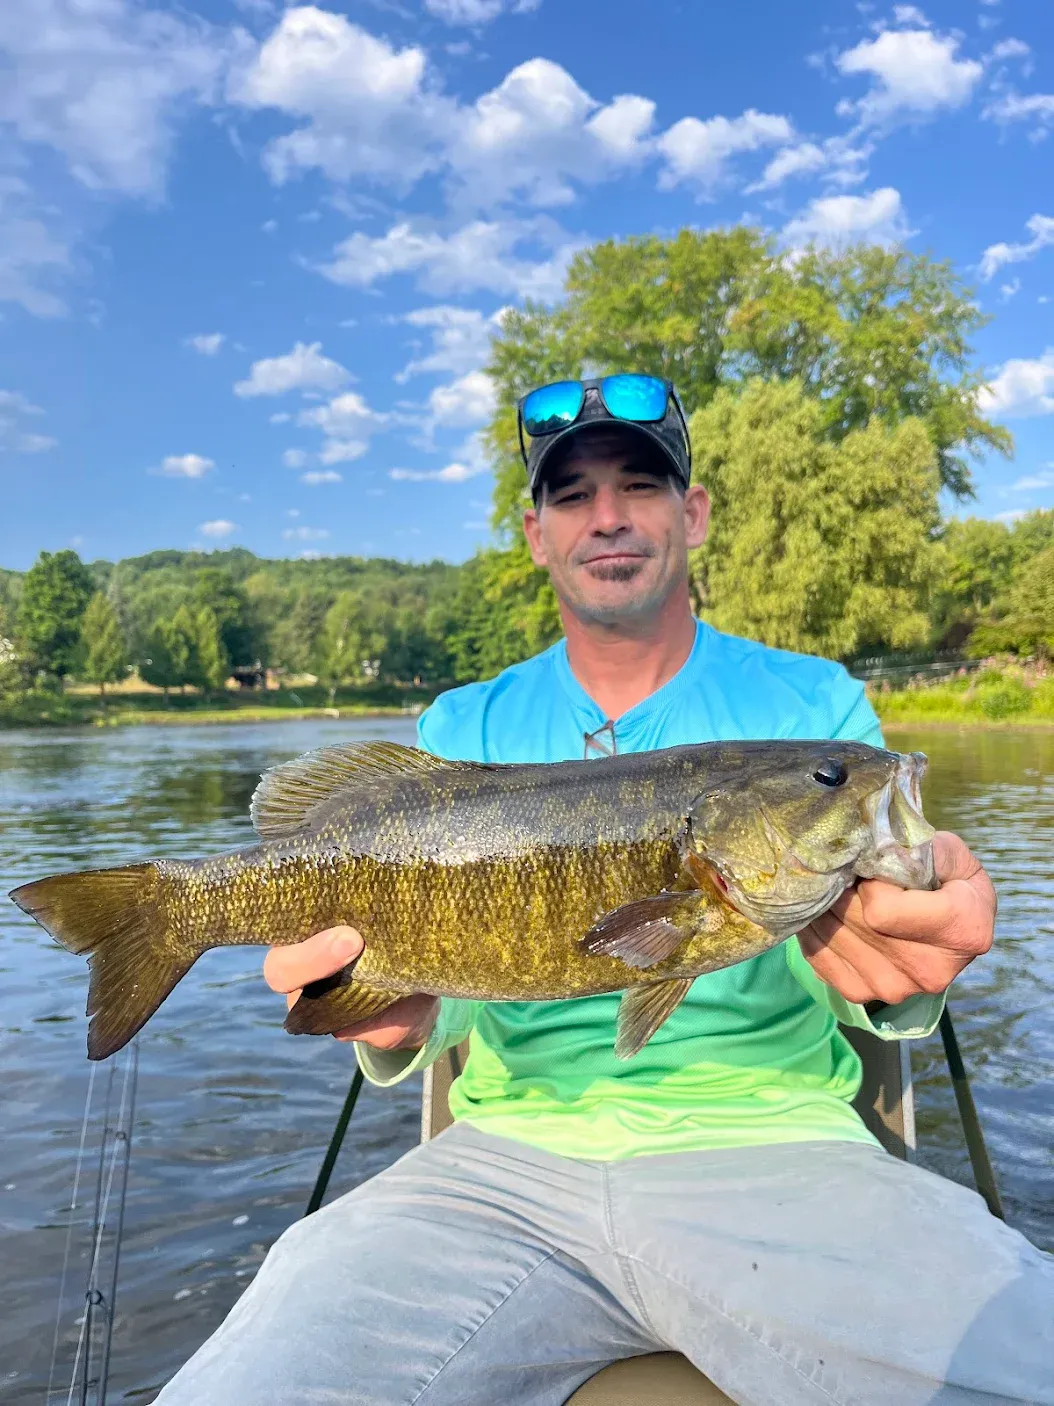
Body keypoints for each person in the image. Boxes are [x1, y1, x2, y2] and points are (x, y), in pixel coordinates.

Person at [157, 375, 1054, 1405]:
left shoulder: (818, 709)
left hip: (779, 1150)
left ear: (694, 512)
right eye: (574, 495)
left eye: (640, 483)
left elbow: (873, 956)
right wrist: (383, 1015)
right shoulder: (463, 723)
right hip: (495, 1171)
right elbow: (437, 1008)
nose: (610, 515)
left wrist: (906, 968)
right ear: (537, 533)